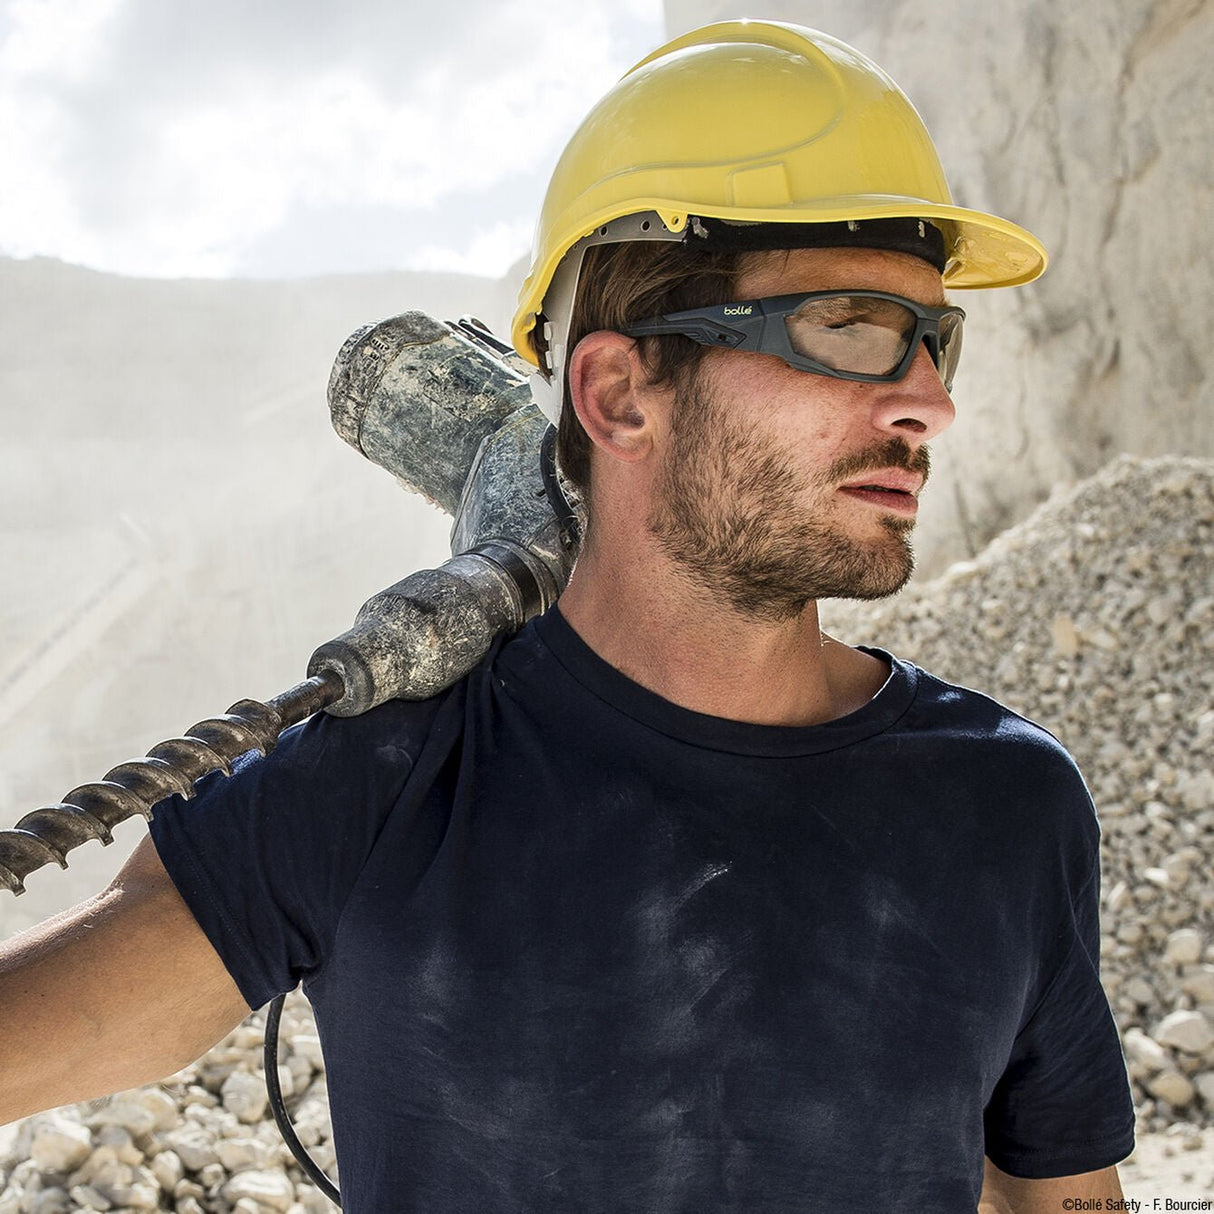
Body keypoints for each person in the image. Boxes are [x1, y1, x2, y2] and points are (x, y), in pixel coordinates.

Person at [0, 19, 1134, 1213]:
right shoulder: (384, 777)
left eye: (933, 340)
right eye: (846, 327)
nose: (927, 405)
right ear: (614, 391)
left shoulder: (1006, 803)